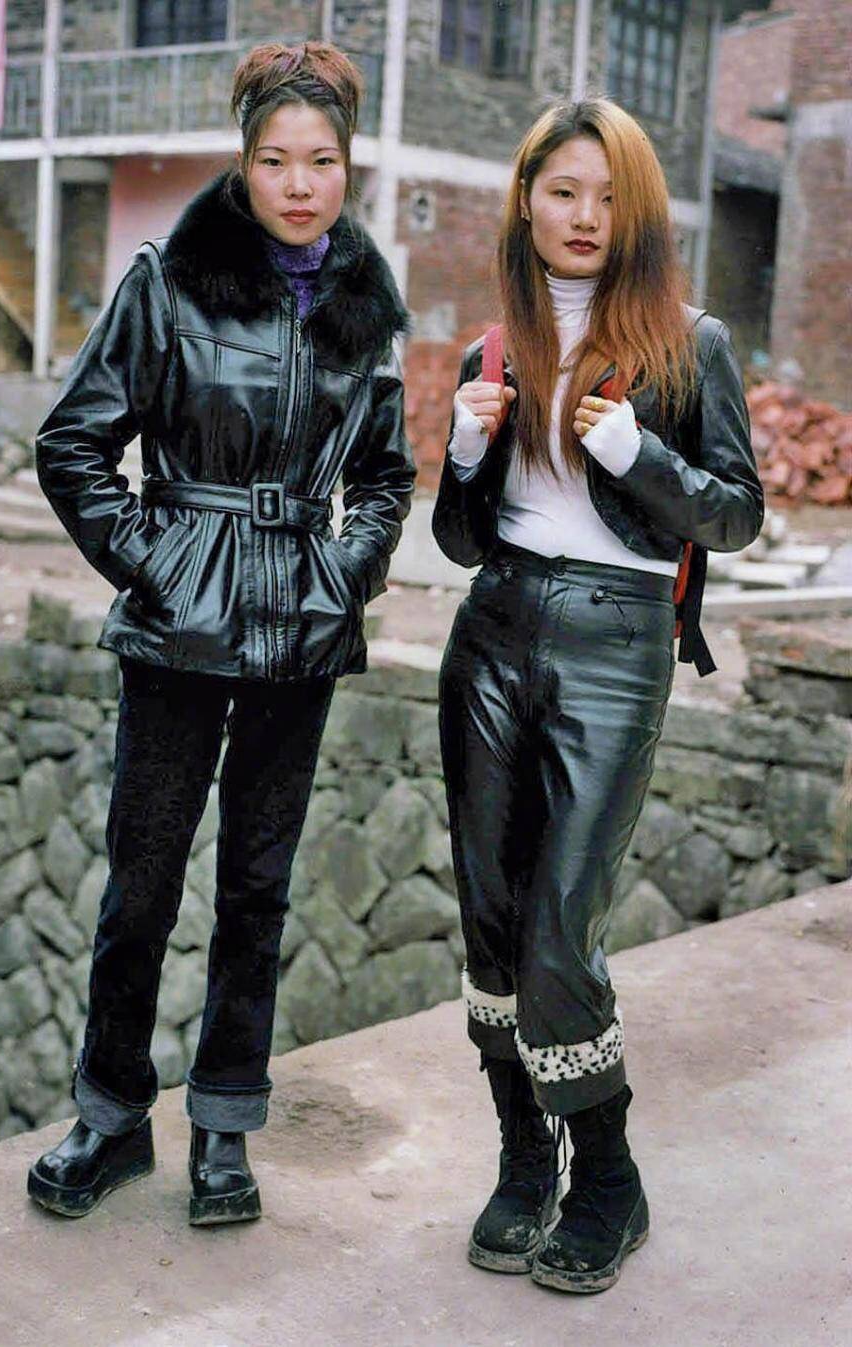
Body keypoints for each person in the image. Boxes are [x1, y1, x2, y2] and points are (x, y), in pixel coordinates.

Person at [27, 41, 414, 1225]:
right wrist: (158, 566)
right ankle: (110, 1116)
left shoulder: (364, 308)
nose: (300, 184)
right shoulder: (168, 281)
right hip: (177, 626)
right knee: (142, 882)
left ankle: (226, 1127)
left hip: (302, 626)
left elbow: (386, 477)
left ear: (349, 166)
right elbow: (73, 445)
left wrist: (343, 573)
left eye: (322, 162)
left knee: (258, 885)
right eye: (276, 160)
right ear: (243, 162)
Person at [433, 97, 762, 1293]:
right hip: (492, 631)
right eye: (564, 191)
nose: (585, 216)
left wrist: (638, 454)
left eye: (610, 197)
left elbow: (739, 513)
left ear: (641, 213)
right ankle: (526, 1160)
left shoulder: (690, 344)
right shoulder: (493, 349)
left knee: (561, 921)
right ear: (527, 200)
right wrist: (464, 454)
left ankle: (610, 1182)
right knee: (490, 917)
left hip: (618, 648)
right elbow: (459, 541)